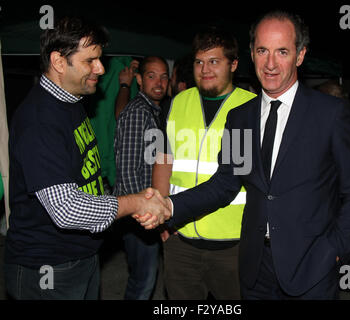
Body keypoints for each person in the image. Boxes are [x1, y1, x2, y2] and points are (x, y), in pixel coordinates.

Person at [138, 11, 350, 300]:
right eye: (262, 51)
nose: (270, 63)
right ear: (252, 54)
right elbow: (225, 184)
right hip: (253, 269)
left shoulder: (331, 115)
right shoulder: (240, 117)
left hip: (313, 267)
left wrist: (336, 250)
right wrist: (170, 207)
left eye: (282, 51)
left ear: (300, 55)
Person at [4, 17, 169, 300]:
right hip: (48, 268)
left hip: (81, 256)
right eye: (90, 61)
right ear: (58, 61)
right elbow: (67, 209)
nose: (101, 69)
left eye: (100, 59)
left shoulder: (71, 100)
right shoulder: (40, 121)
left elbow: (86, 174)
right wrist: (136, 202)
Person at [152, 26, 256, 299]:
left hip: (234, 245)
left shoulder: (253, 108)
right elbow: (162, 159)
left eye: (214, 61)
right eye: (199, 62)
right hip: (180, 240)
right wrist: (163, 217)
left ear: (233, 64)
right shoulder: (175, 104)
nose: (205, 69)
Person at [113, 56, 169, 300]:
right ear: (138, 80)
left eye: (164, 76)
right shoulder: (138, 112)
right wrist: (147, 215)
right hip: (139, 216)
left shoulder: (151, 110)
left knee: (145, 278)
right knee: (143, 282)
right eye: (151, 76)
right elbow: (126, 172)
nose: (159, 82)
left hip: (145, 212)